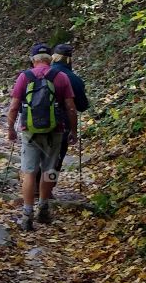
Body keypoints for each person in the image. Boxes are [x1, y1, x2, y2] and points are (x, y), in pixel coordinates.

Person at [7, 43, 78, 230]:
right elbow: (71, 107)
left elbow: (14, 107)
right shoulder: (60, 76)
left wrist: (10, 129)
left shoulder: (25, 76)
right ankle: (44, 209)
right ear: (50, 59)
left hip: (29, 130)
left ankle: (27, 215)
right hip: (55, 130)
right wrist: (73, 131)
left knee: (29, 171)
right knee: (50, 169)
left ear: (33, 60)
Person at [47, 42, 89, 194]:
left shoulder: (39, 73)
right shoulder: (74, 79)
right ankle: (48, 190)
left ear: (54, 57)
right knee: (56, 158)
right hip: (61, 124)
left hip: (35, 121)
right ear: (70, 59)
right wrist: (74, 130)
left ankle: (34, 189)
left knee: (37, 154)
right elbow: (81, 106)